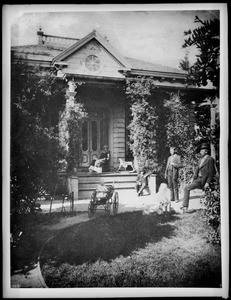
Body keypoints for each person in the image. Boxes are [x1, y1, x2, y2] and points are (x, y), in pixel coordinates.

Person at [180, 142, 216, 213]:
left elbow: (212, 172)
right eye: (200, 150)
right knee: (187, 188)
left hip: (203, 180)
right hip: (198, 180)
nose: (200, 152)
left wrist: (208, 182)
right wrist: (192, 179)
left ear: (206, 151)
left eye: (202, 150)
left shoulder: (210, 159)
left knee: (209, 195)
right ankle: (185, 207)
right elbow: (196, 170)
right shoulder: (200, 160)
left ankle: (210, 210)